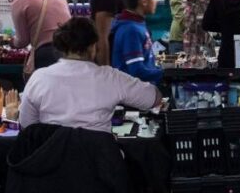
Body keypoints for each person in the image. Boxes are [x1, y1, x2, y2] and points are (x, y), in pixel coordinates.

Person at [20, 17, 162, 132]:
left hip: (52, 161)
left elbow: (27, 124)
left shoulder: (39, 77)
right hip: (100, 162)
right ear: (93, 47)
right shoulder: (110, 77)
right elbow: (153, 98)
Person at [9, 0, 72, 78]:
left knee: (47, 90)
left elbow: (22, 41)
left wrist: (12, 42)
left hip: (47, 53)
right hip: (71, 49)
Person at [111, 0, 164, 85]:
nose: (156, 1)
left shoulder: (137, 24)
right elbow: (137, 71)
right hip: (132, 96)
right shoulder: (131, 30)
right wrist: (167, 74)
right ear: (144, 1)